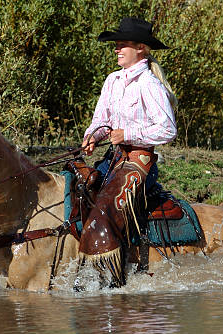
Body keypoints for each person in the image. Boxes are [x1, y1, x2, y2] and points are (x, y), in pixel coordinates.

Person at [76, 17, 178, 287]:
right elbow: (101, 121)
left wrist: (128, 134)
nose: (117, 49)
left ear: (141, 48)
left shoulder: (149, 84)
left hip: (139, 162)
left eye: (123, 45)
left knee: (105, 209)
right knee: (80, 189)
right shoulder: (112, 81)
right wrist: (93, 136)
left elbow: (168, 129)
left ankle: (114, 276)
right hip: (113, 159)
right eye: (116, 45)